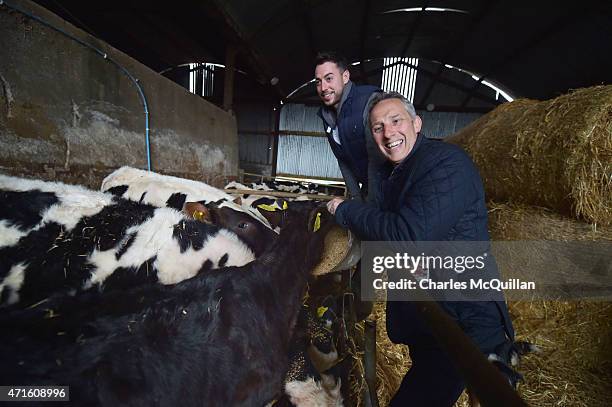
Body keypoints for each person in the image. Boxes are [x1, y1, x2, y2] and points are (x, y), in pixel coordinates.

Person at [326, 91, 518, 406]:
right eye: (378, 127)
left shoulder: (445, 164)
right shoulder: (394, 174)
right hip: (433, 318)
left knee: (494, 393)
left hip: (469, 318)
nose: (388, 132)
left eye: (395, 120)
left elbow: (408, 236)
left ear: (417, 123)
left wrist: (346, 211)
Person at [314, 51, 385, 203]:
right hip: (369, 187)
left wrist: (371, 202)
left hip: (391, 186)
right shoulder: (326, 116)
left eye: (329, 79)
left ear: (345, 77)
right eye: (318, 82)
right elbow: (342, 159)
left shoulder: (369, 101)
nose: (323, 87)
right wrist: (355, 196)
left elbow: (377, 157)